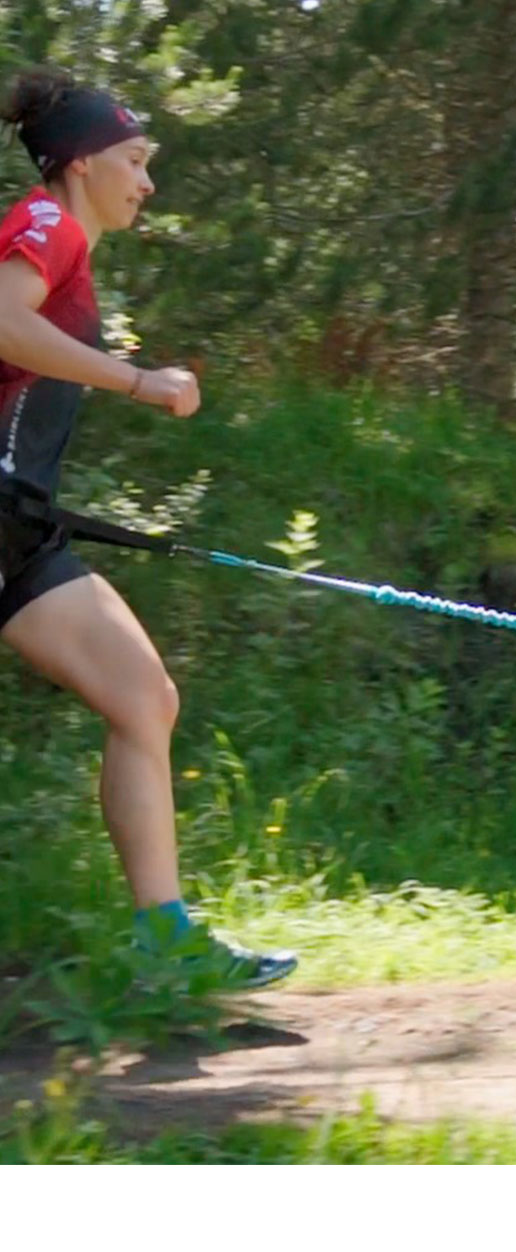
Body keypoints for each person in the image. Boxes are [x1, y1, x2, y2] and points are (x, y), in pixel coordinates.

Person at [0, 65, 295, 989]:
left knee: (143, 695)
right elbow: (1, 323)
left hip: (17, 534)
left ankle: (164, 942)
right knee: (143, 695)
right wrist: (137, 381)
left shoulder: (65, 247)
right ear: (81, 163)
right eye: (134, 160)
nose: (148, 180)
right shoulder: (45, 222)